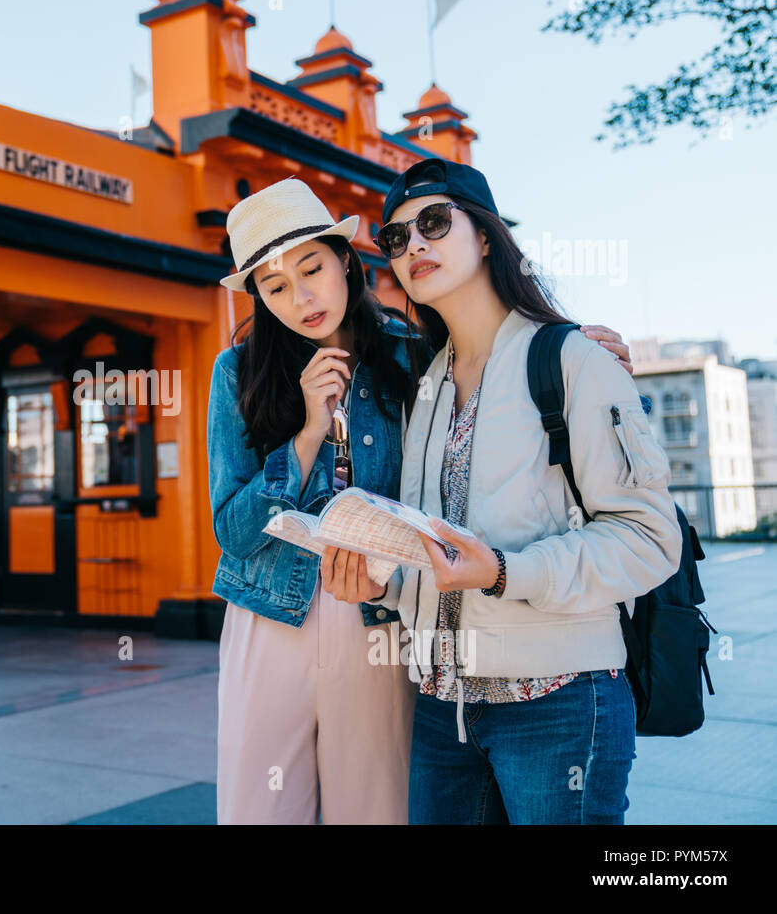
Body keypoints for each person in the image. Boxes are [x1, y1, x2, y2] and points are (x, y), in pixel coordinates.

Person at [206, 176, 637, 823]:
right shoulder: (238, 372)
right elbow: (233, 533)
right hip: (269, 620)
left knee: (376, 807)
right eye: (274, 286)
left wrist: (580, 349)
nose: (300, 296)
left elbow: (494, 379)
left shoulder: (412, 356)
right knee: (258, 811)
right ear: (259, 297)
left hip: (381, 617)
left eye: (312, 268)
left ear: (346, 260)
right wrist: (307, 432)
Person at [354, 157, 681, 824]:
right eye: (396, 237)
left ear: (486, 236)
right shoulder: (429, 384)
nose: (413, 244)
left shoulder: (572, 360)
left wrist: (506, 573)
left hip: (558, 704)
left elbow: (649, 540)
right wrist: (379, 584)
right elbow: (440, 555)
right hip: (443, 710)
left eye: (435, 223)